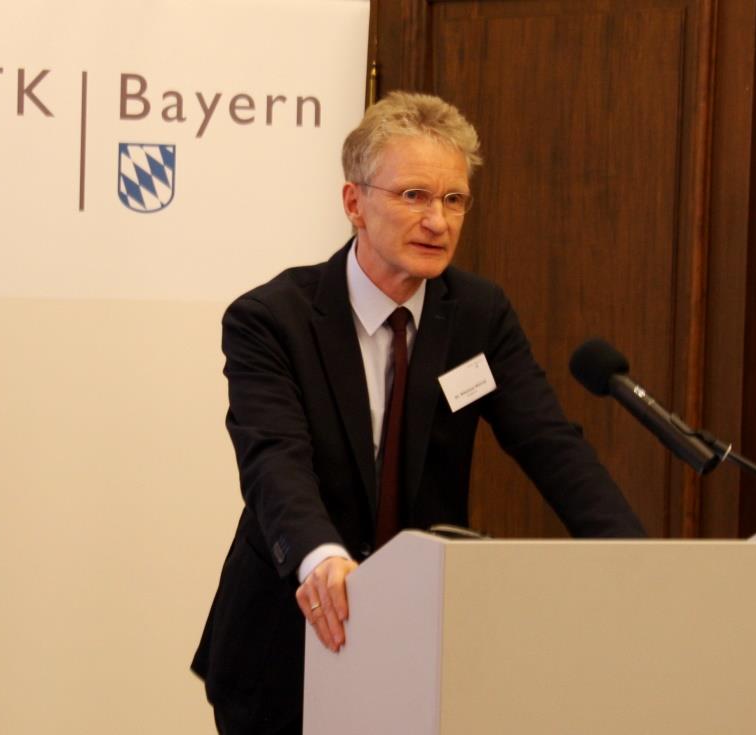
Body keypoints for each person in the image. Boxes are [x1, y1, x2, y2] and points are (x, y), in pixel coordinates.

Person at [192, 91, 645, 734]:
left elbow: (550, 444)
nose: (438, 220)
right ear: (354, 203)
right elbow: (275, 461)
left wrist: (636, 561)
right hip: (288, 641)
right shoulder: (272, 319)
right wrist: (321, 558)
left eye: (454, 199)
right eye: (414, 196)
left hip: (424, 644)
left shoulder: (479, 314)